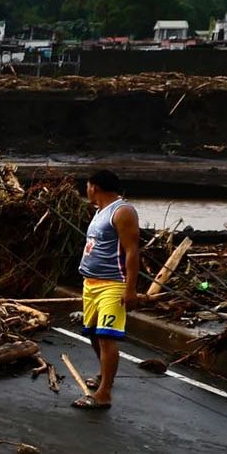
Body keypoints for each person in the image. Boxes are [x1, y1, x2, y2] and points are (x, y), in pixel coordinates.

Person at [74, 169, 141, 410]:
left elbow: (132, 251)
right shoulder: (99, 211)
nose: (86, 191)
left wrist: (130, 289)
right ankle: (105, 373)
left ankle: (104, 394)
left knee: (106, 337)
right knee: (93, 332)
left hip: (113, 284)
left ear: (94, 187)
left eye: (87, 186)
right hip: (91, 283)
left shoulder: (122, 211)